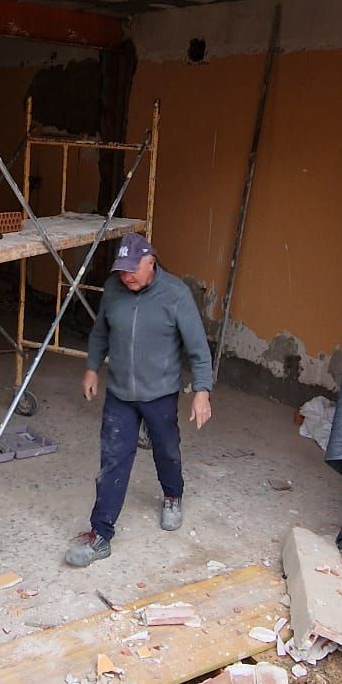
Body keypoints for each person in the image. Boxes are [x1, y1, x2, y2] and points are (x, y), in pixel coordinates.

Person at [64, 233, 212, 566]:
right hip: (120, 393)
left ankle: (173, 495)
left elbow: (198, 348)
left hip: (160, 393)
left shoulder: (175, 295)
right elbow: (101, 332)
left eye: (133, 269)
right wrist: (91, 368)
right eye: (122, 270)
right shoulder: (114, 289)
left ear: (151, 262)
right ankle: (101, 535)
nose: (126, 276)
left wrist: (202, 390)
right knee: (113, 460)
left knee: (166, 450)